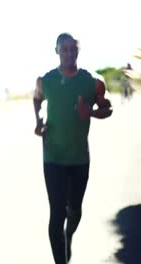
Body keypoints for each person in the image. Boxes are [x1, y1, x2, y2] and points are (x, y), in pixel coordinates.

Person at [33, 33, 113, 264]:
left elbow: (107, 108)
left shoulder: (93, 81)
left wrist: (92, 113)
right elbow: (38, 99)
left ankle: (68, 236)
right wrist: (39, 121)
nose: (69, 53)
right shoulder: (45, 80)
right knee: (57, 214)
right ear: (56, 50)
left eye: (73, 49)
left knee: (75, 211)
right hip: (53, 157)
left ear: (79, 50)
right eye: (64, 49)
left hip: (79, 158)